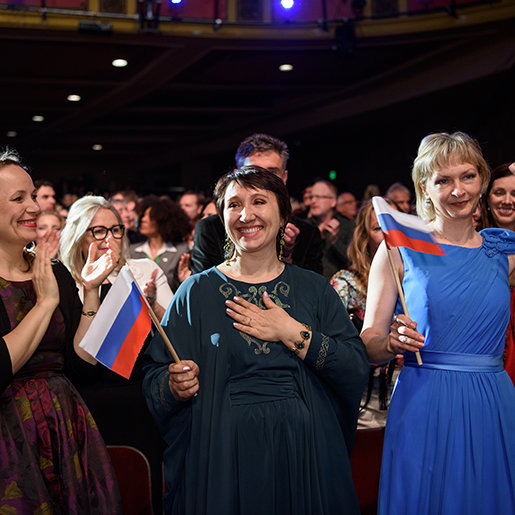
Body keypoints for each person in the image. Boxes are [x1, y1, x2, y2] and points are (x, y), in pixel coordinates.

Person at [143, 166, 369, 515]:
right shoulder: (195, 292)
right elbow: (156, 374)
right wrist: (173, 386)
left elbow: (354, 367)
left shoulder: (314, 289)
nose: (246, 215)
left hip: (304, 455)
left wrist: (293, 333)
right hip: (222, 457)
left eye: (259, 202)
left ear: (283, 216)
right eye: (234, 205)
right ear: (222, 218)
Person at [361, 132, 515, 514]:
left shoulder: (505, 252)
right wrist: (391, 343)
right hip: (424, 400)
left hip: (492, 402)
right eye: (443, 180)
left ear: (482, 180)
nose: (458, 190)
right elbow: (369, 343)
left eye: (467, 176)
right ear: (425, 188)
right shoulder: (399, 248)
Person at [0, 151, 121, 512]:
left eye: (33, 196)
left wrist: (91, 291)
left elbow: (79, 365)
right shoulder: (47, 287)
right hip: (9, 434)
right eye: (18, 198)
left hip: (63, 424)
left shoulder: (56, 272)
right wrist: (44, 303)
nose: (33, 207)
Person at [60, 195, 173, 513]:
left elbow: (176, 335)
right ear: (78, 235)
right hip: (87, 405)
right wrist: (91, 288)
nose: (108, 238)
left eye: (115, 229)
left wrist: (152, 304)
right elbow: (80, 363)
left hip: (139, 401)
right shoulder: (65, 280)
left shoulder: (143, 269)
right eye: (98, 231)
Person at [189, 133, 323, 275]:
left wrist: (286, 257)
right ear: (236, 176)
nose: (262, 182)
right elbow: (203, 284)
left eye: (271, 173)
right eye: (252, 172)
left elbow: (313, 287)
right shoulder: (210, 228)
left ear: (284, 178)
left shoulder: (308, 234)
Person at [331, 199, 400, 429]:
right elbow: (333, 346)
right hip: (366, 403)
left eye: (394, 225)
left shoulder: (418, 282)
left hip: (411, 393)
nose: (388, 234)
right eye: (378, 228)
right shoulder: (346, 284)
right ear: (364, 237)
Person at [482, 162, 515, 383]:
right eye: (499, 192)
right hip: (485, 355)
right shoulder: (472, 246)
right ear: (487, 199)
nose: (507, 200)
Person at [130, 195, 190, 292]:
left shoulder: (180, 252)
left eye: (149, 216)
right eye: (143, 215)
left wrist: (182, 281)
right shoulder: (132, 251)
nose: (143, 219)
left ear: (162, 220)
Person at [308, 179, 355, 278]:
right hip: (310, 281)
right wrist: (316, 237)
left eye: (319, 197)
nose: (313, 201)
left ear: (333, 201)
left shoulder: (347, 225)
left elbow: (353, 260)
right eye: (311, 197)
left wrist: (335, 241)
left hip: (338, 283)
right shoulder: (305, 225)